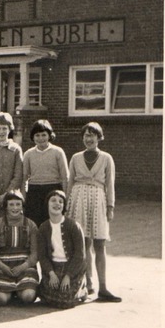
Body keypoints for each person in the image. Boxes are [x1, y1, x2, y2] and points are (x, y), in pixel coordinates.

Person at [66, 122, 121, 302]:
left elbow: (110, 184)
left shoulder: (106, 158)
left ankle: (103, 287)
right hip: (79, 198)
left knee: (100, 243)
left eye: (92, 135)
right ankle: (88, 284)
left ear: (99, 137)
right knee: (84, 243)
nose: (89, 139)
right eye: (86, 136)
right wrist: (67, 205)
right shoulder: (75, 158)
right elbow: (70, 182)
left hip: (98, 200)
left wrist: (110, 207)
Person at [0, 190, 39, 306]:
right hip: (2, 266)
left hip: (24, 266)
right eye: (11, 204)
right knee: (2, 299)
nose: (15, 208)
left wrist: (23, 266)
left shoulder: (31, 225)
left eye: (18, 204)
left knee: (28, 297)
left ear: (22, 206)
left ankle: (20, 290)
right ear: (6, 207)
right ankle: (9, 291)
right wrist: (2, 266)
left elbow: (35, 253)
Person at [37, 190, 87, 309]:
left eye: (60, 201)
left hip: (71, 267)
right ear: (47, 204)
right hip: (53, 268)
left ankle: (82, 289)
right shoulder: (43, 227)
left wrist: (68, 275)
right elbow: (42, 255)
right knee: (45, 298)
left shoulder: (74, 226)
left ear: (64, 206)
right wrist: (51, 273)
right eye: (53, 200)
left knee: (66, 301)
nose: (57, 204)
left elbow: (80, 255)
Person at [22, 120, 69, 227]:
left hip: (53, 190)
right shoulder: (28, 154)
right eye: (37, 135)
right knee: (34, 224)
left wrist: (65, 197)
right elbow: (24, 178)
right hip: (34, 192)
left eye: (44, 135)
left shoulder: (58, 152)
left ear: (50, 135)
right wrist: (23, 198)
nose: (40, 138)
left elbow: (65, 177)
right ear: (32, 137)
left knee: (53, 223)